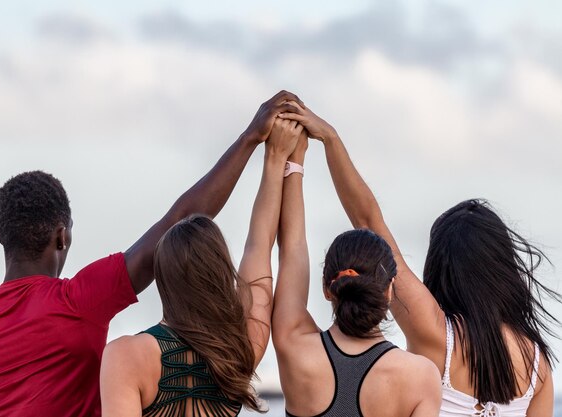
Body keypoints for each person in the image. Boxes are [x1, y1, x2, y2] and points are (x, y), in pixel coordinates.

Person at [0, 91, 304, 417]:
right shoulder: (79, 300)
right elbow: (178, 221)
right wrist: (251, 139)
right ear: (62, 237)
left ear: (1, 236)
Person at [279, 104, 559, 416]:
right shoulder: (537, 365)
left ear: (443, 268)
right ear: (502, 269)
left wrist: (330, 139)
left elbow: (368, 222)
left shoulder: (437, 332)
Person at [99, 118, 304, 417]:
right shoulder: (242, 348)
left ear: (164, 279)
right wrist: (279, 157)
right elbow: (259, 247)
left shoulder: (126, 357)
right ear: (220, 274)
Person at [270, 126, 441, 417]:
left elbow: (292, 249)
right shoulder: (420, 376)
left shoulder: (294, 346)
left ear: (328, 289)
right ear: (389, 289)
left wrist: (294, 159)